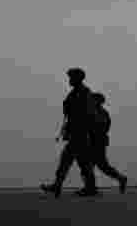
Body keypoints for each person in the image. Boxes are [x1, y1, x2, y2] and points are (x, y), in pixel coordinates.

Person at [41, 68, 98, 198]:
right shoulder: (76, 93)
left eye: (71, 78)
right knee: (80, 162)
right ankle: (88, 187)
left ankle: (59, 186)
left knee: (69, 161)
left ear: (77, 78)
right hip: (76, 133)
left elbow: (88, 114)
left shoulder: (83, 93)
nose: (70, 80)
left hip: (80, 134)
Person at [89, 92, 128, 192]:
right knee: (99, 165)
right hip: (97, 141)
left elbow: (102, 128)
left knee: (96, 165)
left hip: (97, 142)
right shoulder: (100, 112)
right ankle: (120, 178)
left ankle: (91, 187)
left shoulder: (99, 113)